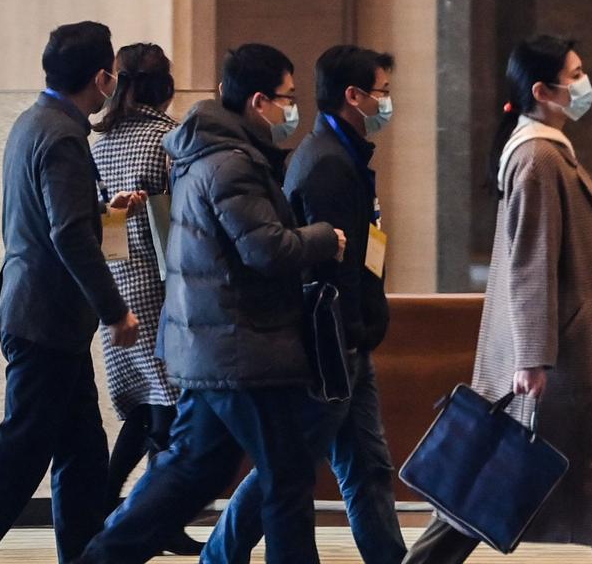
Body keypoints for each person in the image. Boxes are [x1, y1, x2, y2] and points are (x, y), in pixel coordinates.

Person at [75, 44, 346, 564]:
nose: (294, 110)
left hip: (214, 344)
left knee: (192, 470)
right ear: (259, 101)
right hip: (242, 347)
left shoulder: (209, 153)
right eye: (288, 98)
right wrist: (321, 237)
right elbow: (266, 248)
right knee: (286, 479)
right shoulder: (231, 164)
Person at [402, 35, 592, 564]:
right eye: (576, 73)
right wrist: (533, 356)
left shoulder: (544, 154)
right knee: (533, 486)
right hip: (561, 362)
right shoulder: (538, 159)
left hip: (565, 355)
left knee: (578, 493)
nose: (585, 84)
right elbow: (530, 265)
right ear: (543, 91)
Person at [0, 21, 143, 564]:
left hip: (43, 317)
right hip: (47, 320)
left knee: (82, 451)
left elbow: (58, 220)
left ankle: (84, 557)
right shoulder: (63, 135)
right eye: (113, 77)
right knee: (22, 453)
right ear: (102, 77)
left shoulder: (33, 122)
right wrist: (115, 310)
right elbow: (67, 235)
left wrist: (108, 212)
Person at [202, 45, 406, 564]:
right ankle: (221, 554)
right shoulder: (326, 166)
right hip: (331, 346)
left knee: (367, 467)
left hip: (349, 341)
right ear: (353, 96)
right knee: (291, 465)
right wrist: (348, 335)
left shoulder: (345, 158)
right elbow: (327, 267)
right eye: (382, 91)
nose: (388, 102)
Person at [90, 43, 204, 557]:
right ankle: (152, 516)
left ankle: (116, 508)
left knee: (143, 407)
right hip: (160, 286)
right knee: (165, 405)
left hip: (112, 283)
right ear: (164, 84)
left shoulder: (99, 141)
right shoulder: (169, 138)